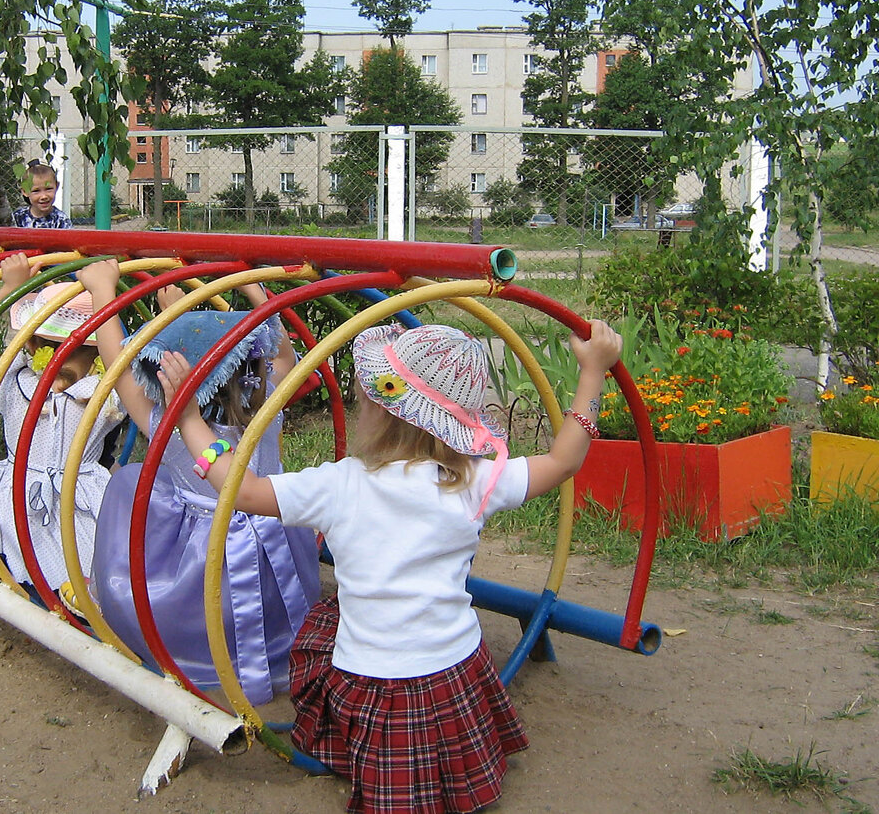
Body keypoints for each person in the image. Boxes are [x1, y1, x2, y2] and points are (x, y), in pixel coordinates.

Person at [154, 318, 624, 813]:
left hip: (373, 678)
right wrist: (593, 371)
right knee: (350, 625)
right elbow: (565, 460)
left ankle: (363, 748)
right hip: (453, 671)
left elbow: (243, 490)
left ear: (382, 414)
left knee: (322, 622)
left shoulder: (340, 485)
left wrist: (188, 417)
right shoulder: (476, 480)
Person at [81, 259, 321, 706]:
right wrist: (255, 293)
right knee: (273, 605)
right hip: (273, 538)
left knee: (136, 490)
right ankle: (278, 653)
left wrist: (102, 291)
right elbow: (285, 356)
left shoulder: (168, 423)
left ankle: (206, 663)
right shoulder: (268, 406)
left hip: (203, 558)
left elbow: (117, 364)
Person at [0, 252, 124, 601]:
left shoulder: (16, 380)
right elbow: (122, 362)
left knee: (51, 574)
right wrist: (105, 295)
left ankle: (55, 599)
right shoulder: (108, 390)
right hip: (60, 505)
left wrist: (10, 289)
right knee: (72, 576)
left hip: (30, 500)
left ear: (29, 343)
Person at [11, 159, 72, 229]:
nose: (44, 196)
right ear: (25, 191)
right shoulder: (18, 218)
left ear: (56, 186)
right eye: (36, 191)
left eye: (48, 189)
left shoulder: (61, 220)